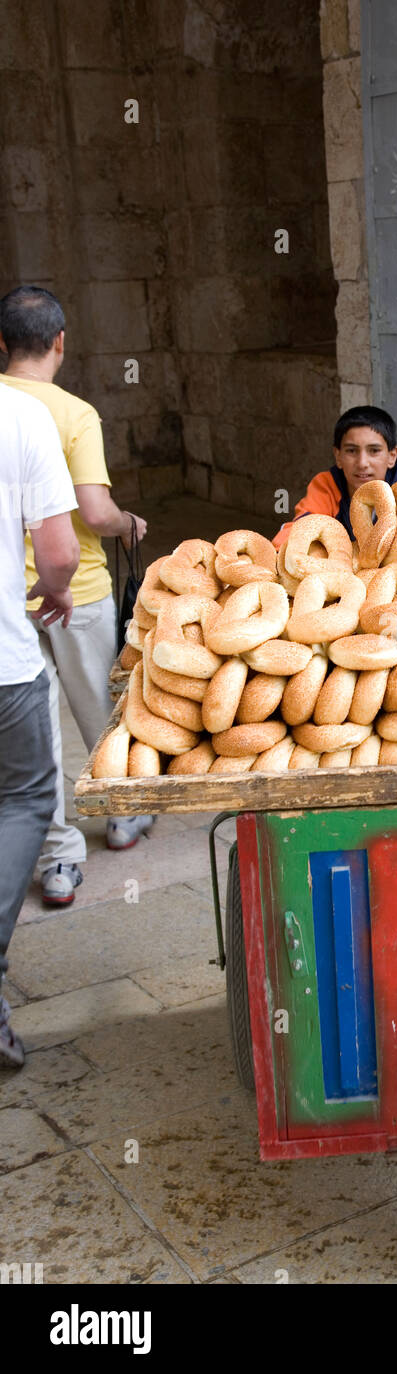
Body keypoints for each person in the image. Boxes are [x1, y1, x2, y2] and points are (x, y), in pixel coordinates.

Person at [0, 286, 153, 909]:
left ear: (2, 344)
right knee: (100, 711)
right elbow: (92, 511)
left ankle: (59, 858)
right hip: (74, 590)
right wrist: (127, 524)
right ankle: (120, 815)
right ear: (61, 342)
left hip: (11, 598)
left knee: (34, 736)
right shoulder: (70, 413)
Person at [0, 380, 80, 1065]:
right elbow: (57, 553)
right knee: (24, 800)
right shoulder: (19, 414)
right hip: (3, 665)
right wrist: (54, 591)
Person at [273, 405, 397, 548]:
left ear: (392, 456)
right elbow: (301, 529)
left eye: (374, 451)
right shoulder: (327, 485)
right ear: (338, 456)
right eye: (352, 451)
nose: (362, 463)